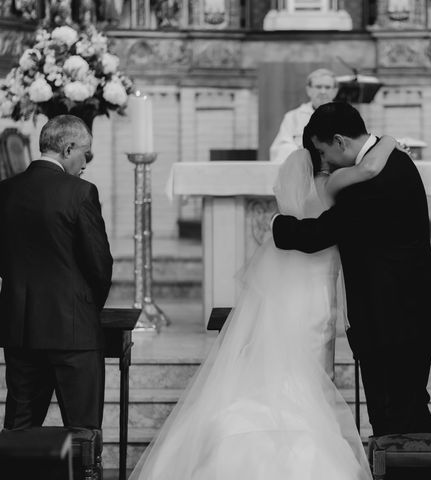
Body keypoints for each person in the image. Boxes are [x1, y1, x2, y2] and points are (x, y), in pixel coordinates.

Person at [128, 132, 398, 479]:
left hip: (289, 286)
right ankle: (306, 426)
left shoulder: (292, 186)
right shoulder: (333, 184)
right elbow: (371, 169)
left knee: (280, 355)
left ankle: (252, 429)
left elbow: (289, 226)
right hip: (317, 291)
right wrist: (388, 140)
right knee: (313, 364)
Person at [272, 102, 431, 480]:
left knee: (394, 418)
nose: (324, 162)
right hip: (408, 311)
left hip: (391, 320)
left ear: (338, 141)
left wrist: (277, 226)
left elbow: (319, 234)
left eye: (322, 152)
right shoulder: (394, 161)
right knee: (409, 409)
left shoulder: (369, 183)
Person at [0, 115, 113, 431]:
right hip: (73, 331)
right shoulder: (81, 192)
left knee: (19, 431)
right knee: (84, 432)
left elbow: (3, 262)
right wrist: (85, 308)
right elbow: (99, 266)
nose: (85, 163)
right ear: (68, 147)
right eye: (85, 154)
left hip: (20, 327)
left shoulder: (1, 192)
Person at [269, 68, 338, 163]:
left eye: (327, 87)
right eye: (318, 87)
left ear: (335, 91)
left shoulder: (347, 116)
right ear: (309, 90)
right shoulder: (293, 117)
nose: (323, 91)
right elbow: (280, 148)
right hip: (302, 169)